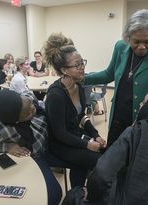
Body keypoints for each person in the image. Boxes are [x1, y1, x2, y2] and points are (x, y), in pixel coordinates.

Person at [85, 9, 148, 166]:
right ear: (127, 37)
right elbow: (108, 74)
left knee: (132, 164)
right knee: (112, 162)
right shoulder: (120, 47)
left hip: (142, 124)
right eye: (136, 42)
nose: (142, 47)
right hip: (118, 117)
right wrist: (82, 79)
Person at [0, 89, 62, 205]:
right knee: (54, 195)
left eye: (30, 104)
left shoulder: (26, 96)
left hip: (50, 142)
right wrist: (6, 147)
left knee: (82, 160)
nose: (33, 110)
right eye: (27, 114)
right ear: (14, 121)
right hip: (35, 157)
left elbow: (30, 98)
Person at [82, 88, 148, 205]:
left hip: (125, 199)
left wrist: (92, 195)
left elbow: (102, 175)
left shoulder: (135, 133)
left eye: (144, 103)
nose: (140, 105)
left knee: (75, 194)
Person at [43, 32, 106, 187]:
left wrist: (95, 135)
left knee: (106, 150)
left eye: (82, 63)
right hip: (59, 144)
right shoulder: (55, 95)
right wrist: (87, 144)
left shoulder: (79, 86)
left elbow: (81, 117)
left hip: (74, 136)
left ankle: (78, 194)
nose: (82, 67)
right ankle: (81, 195)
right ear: (64, 70)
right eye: (77, 65)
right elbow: (59, 133)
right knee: (101, 161)